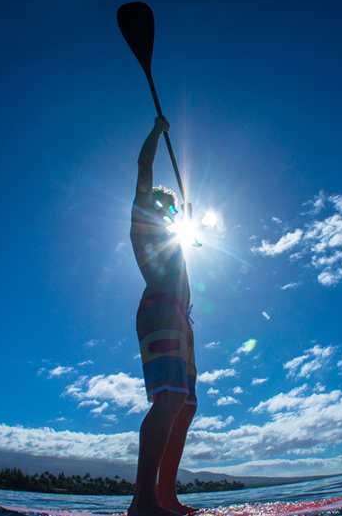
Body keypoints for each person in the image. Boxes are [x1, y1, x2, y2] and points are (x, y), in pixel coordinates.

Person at [128, 116, 198, 516]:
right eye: (163, 205)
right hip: (158, 311)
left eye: (171, 208)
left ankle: (167, 496)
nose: (168, 211)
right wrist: (156, 130)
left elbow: (182, 229)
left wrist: (185, 215)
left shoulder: (174, 241)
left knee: (185, 405)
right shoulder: (142, 225)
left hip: (182, 319)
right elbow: (144, 171)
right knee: (170, 397)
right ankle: (142, 501)